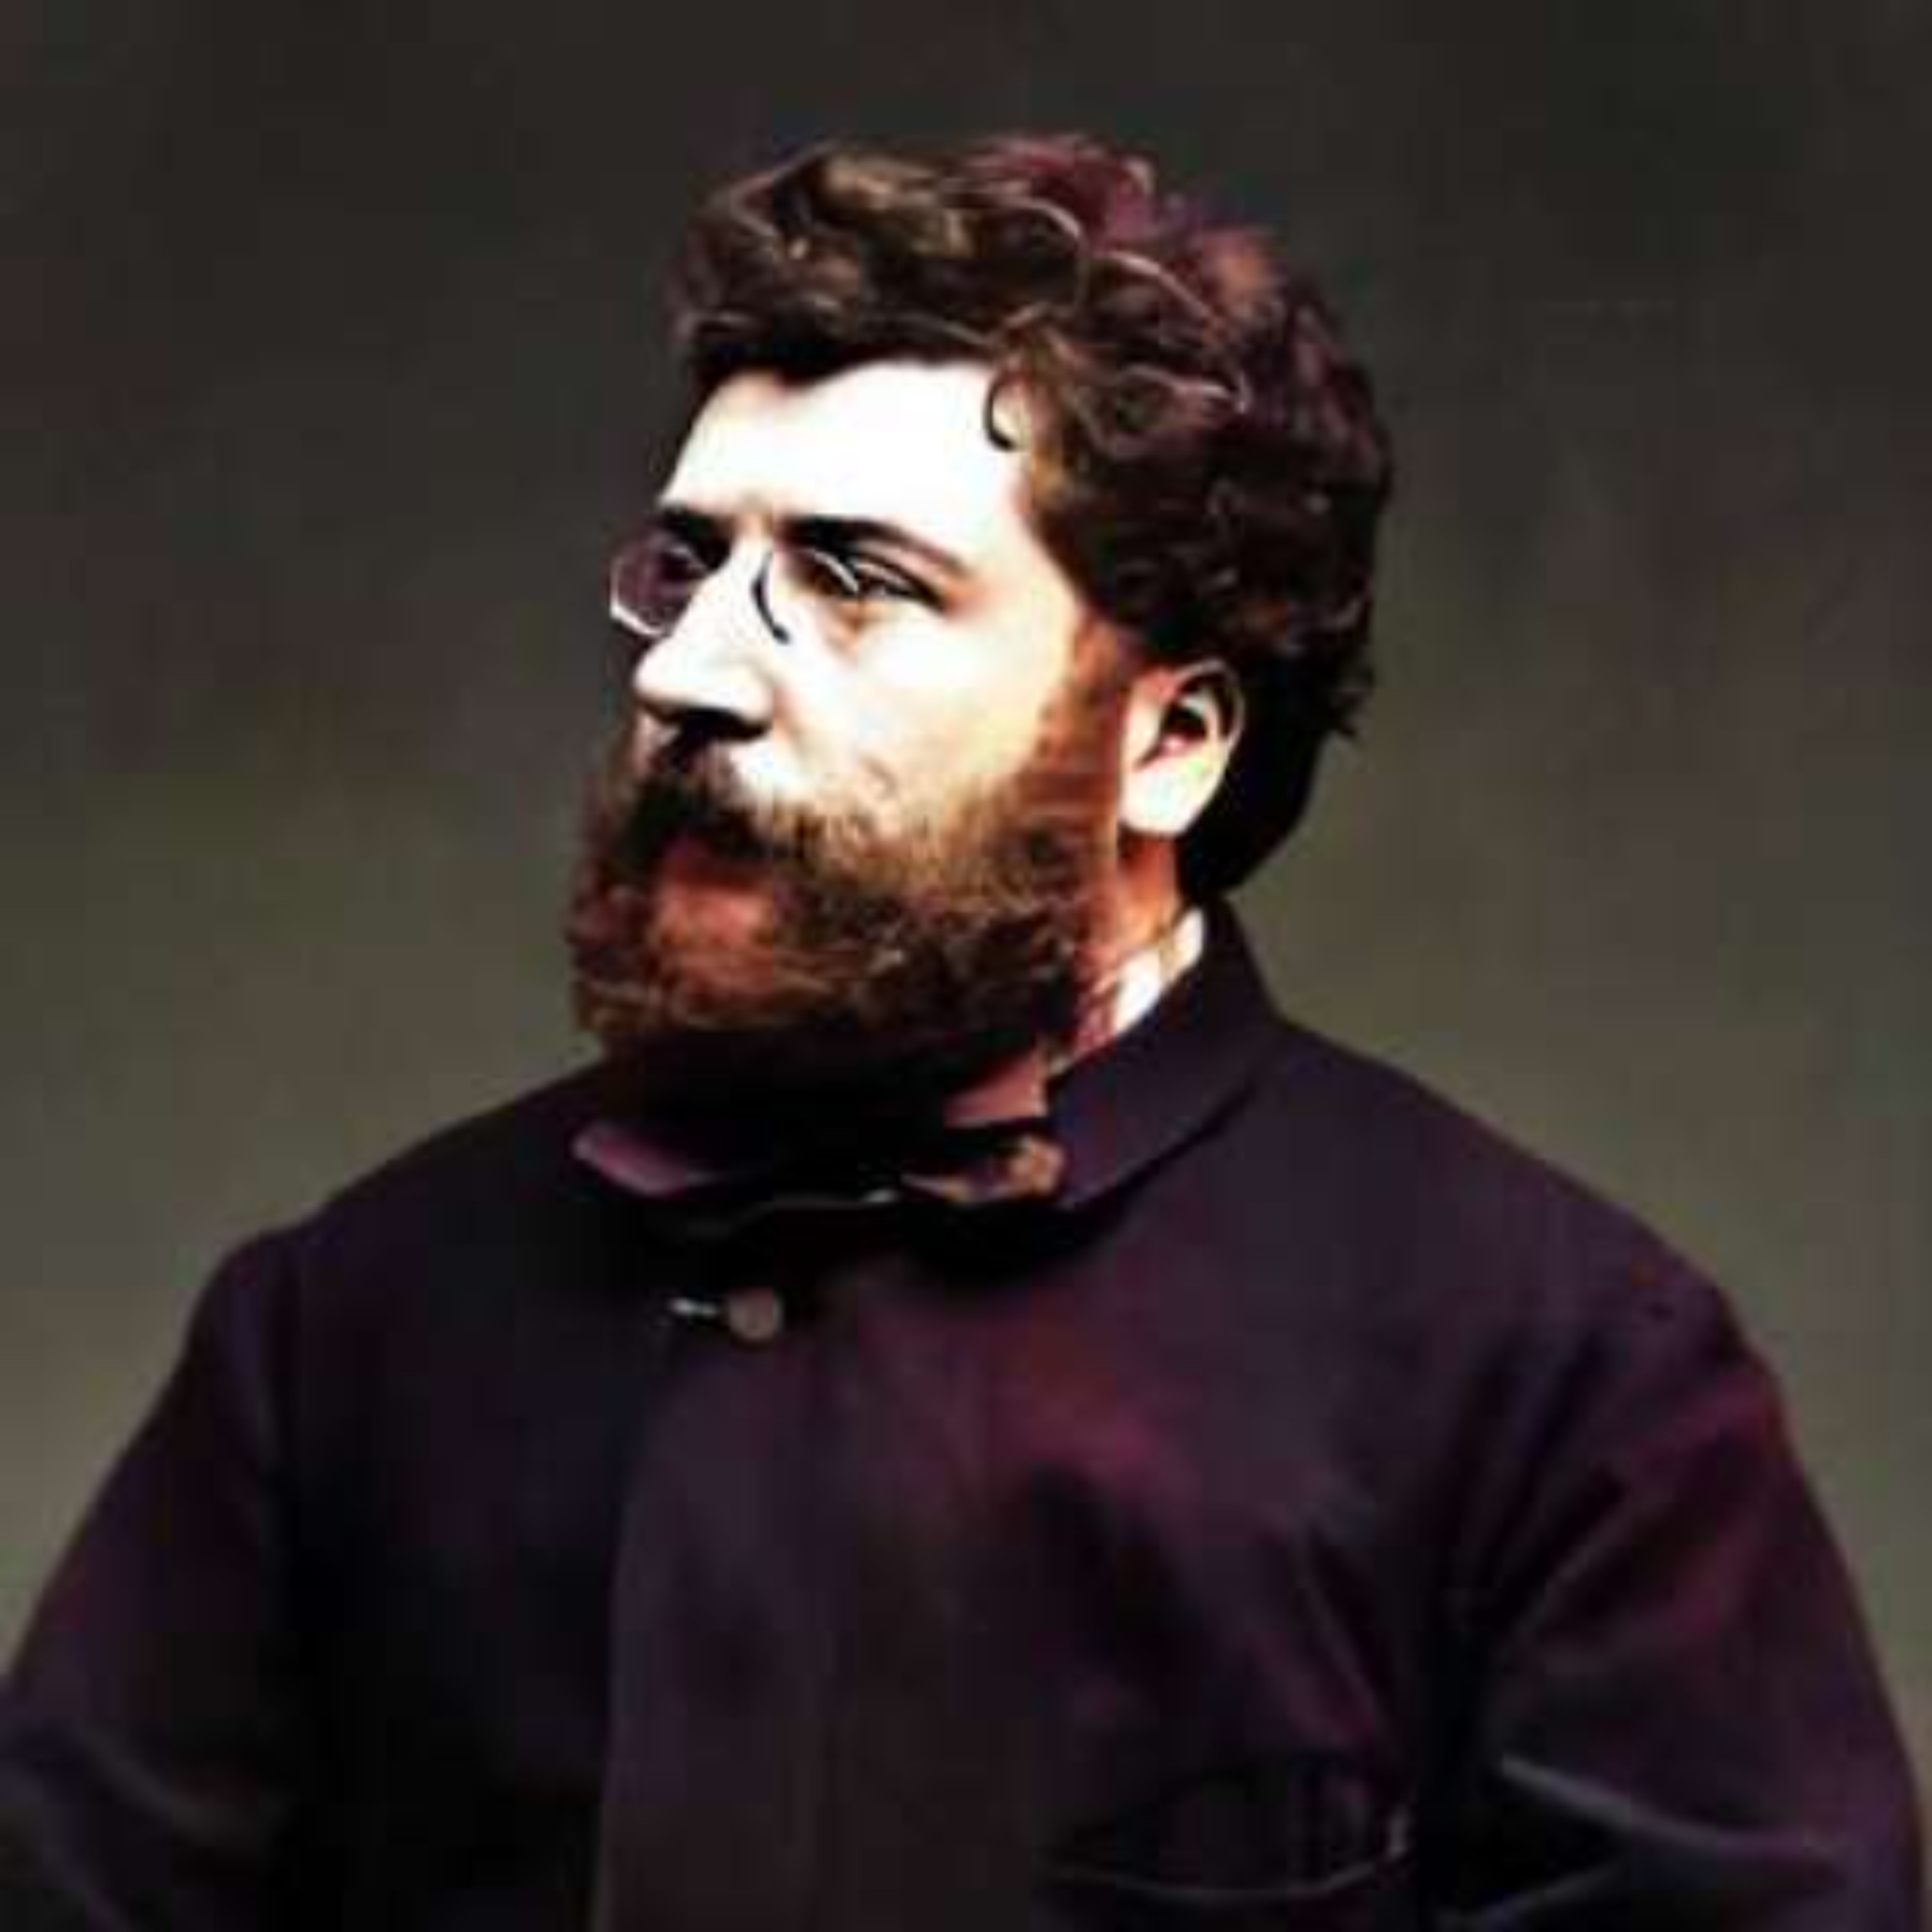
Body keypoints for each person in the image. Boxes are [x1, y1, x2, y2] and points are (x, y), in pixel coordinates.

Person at [0, 133, 1920, 1931]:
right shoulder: (344, 1327)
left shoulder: (1560, 1381)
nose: (688, 674)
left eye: (854, 583)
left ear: (1172, 741)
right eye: (688, 567)